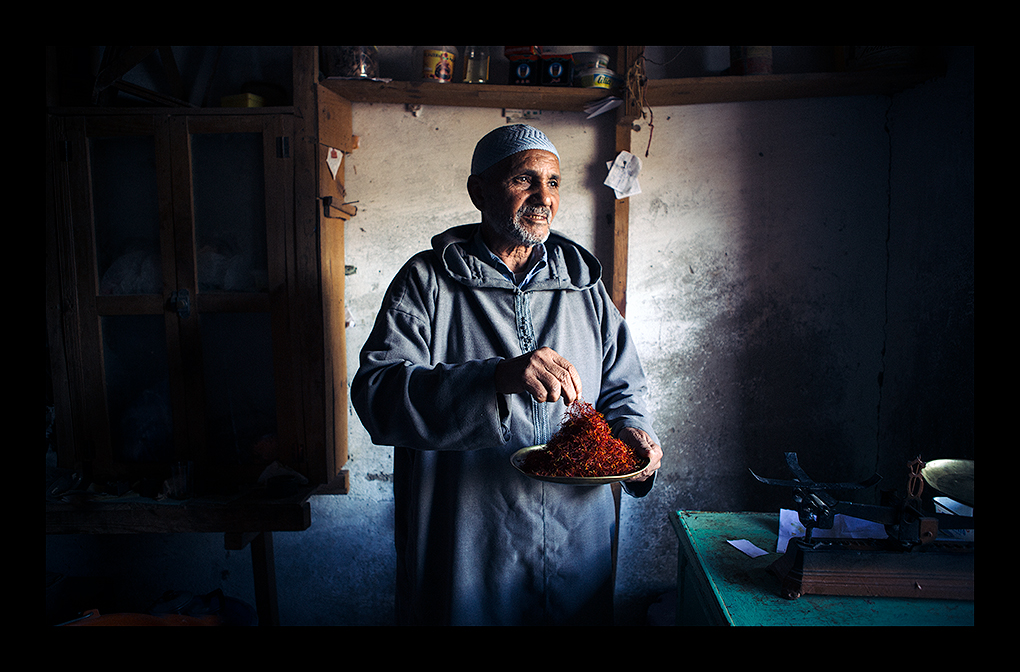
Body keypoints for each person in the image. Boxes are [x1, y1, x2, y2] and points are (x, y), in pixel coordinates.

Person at [351, 124, 663, 625]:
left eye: (554, 183)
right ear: (478, 191)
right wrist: (494, 378)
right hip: (470, 538)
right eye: (524, 179)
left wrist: (635, 433)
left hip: (574, 538)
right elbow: (377, 396)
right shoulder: (427, 281)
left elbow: (626, 388)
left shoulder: (583, 287)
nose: (543, 197)